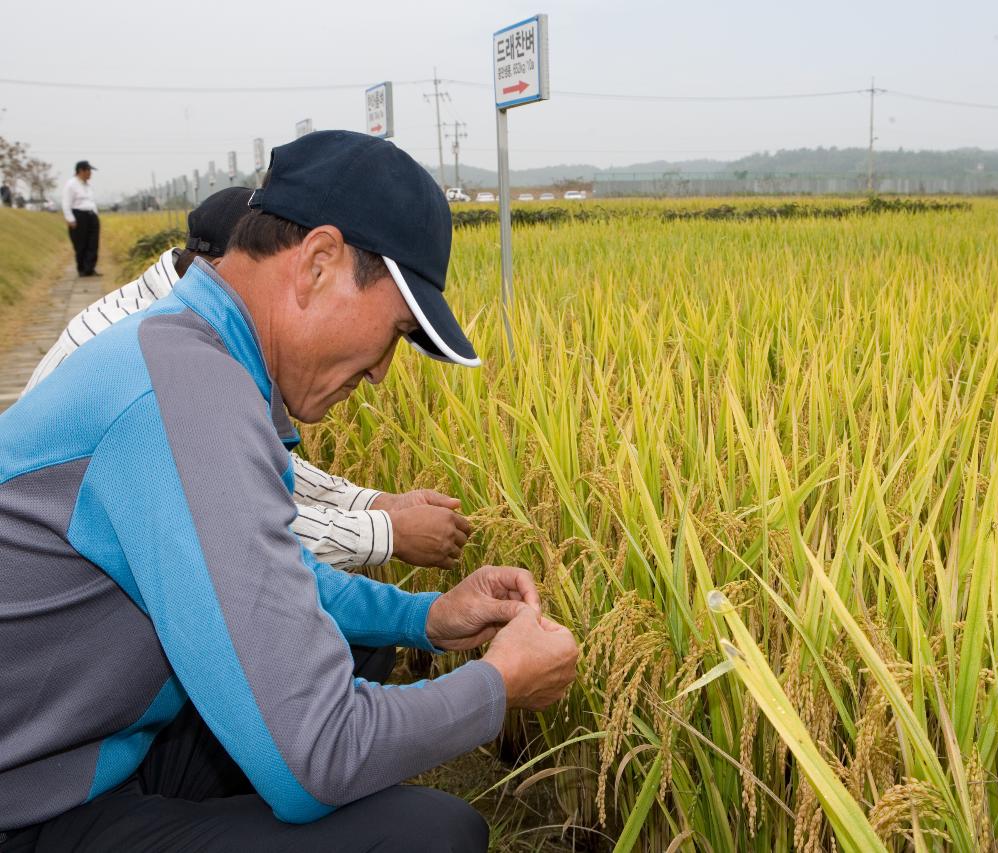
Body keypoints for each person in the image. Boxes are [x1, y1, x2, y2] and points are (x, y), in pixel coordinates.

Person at [0, 130, 580, 851]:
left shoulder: (191, 353)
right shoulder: (185, 395)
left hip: (84, 747)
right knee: (428, 836)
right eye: (397, 331)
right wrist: (498, 686)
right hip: (27, 807)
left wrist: (428, 616)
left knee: (346, 645)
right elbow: (319, 758)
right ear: (318, 263)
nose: (380, 373)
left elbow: (270, 578)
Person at [23, 186, 468, 574]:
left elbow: (246, 464)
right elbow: (230, 531)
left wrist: (370, 504)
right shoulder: (156, 365)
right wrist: (384, 532)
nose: (379, 372)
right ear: (228, 267)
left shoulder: (170, 331)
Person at [61, 160, 101, 277]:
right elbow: (66, 203)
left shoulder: (87, 185)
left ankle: (90, 268)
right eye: (88, 171)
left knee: (93, 243)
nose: (90, 174)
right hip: (79, 216)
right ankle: (82, 269)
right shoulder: (71, 184)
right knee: (81, 244)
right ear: (81, 171)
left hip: (91, 215)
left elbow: (91, 202)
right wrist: (70, 219)